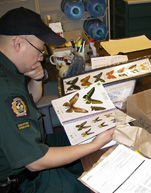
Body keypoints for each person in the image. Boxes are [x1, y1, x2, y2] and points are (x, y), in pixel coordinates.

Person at [0, 7, 115, 193]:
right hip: (23, 178)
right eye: (39, 49)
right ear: (18, 43)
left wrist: (36, 79)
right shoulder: (5, 88)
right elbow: (35, 161)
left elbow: (27, 105)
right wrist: (95, 144)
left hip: (33, 146)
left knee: (87, 142)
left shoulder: (8, 68)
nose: (41, 56)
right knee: (92, 184)